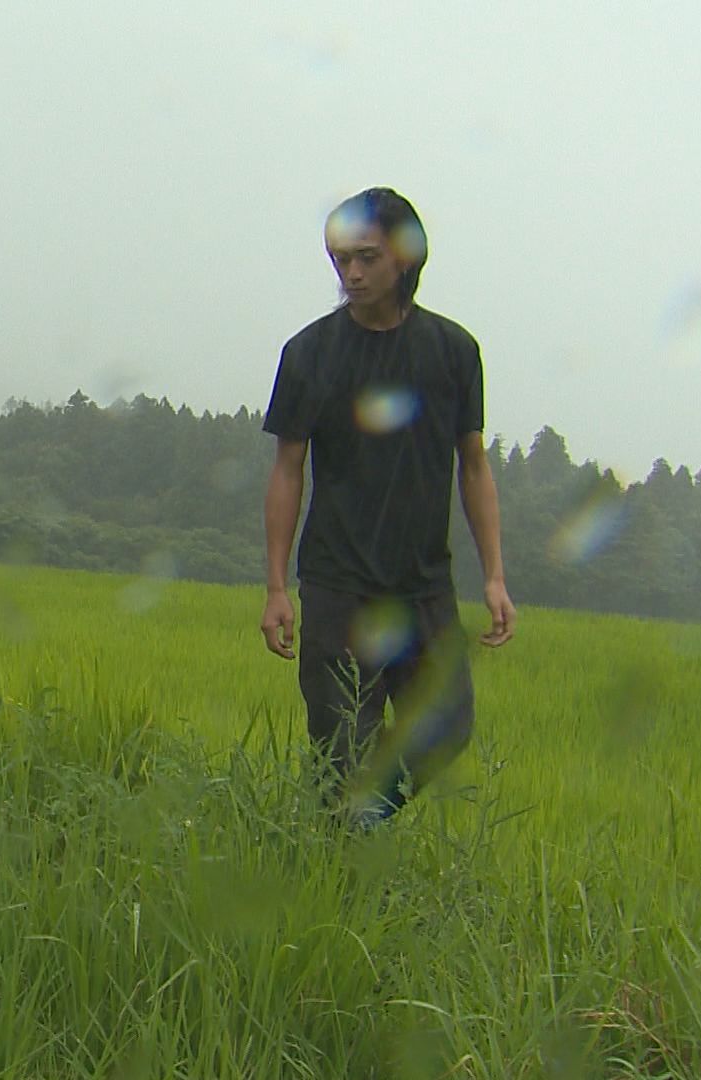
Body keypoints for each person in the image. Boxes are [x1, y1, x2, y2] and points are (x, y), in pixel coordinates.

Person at [258, 187, 515, 827]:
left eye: (366, 258)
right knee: (341, 753)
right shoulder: (309, 354)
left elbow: (474, 465)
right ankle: (335, 871)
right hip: (337, 587)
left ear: (405, 255)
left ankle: (355, 827)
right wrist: (275, 586)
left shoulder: (453, 353)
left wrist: (494, 576)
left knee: (447, 727)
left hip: (422, 588)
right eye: (340, 260)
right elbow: (288, 469)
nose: (351, 274)